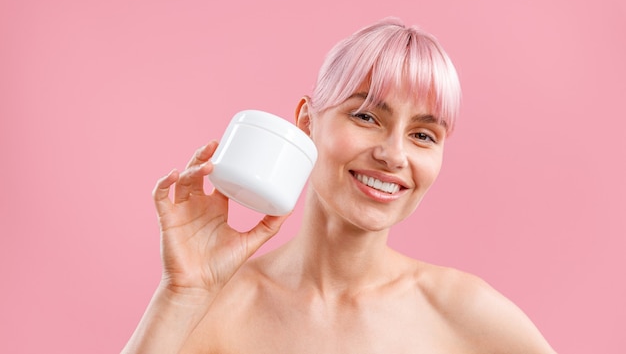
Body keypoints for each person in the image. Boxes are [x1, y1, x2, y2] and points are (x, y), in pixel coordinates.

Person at [122, 18, 557, 353]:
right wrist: (182, 294)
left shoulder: (462, 311)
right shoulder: (214, 305)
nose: (393, 155)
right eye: (366, 116)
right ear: (307, 122)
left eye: (423, 135)